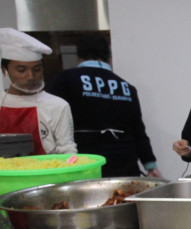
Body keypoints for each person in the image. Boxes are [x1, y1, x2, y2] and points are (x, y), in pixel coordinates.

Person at [47, 34, 161, 177]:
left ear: (79, 56)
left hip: (86, 164)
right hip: (125, 165)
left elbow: (49, 119)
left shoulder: (65, 79)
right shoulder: (127, 87)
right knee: (123, 198)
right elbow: (138, 131)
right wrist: (150, 165)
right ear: (109, 56)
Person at [0, 28, 76, 155]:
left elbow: (67, 150)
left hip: (45, 172)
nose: (30, 76)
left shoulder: (57, 105)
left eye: (36, 69)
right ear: (4, 70)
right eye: (21, 70)